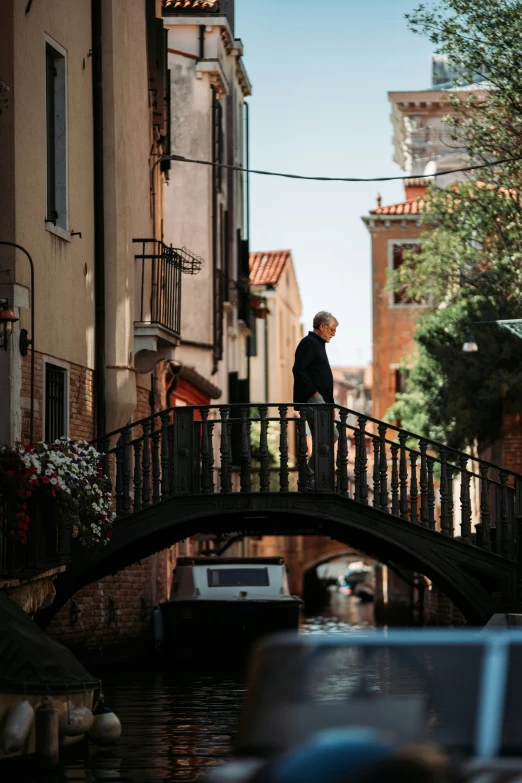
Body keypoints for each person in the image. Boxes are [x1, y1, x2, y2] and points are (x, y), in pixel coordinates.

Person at [292, 311, 339, 480]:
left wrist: (330, 405)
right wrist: (315, 393)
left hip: (321, 401)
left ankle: (313, 477)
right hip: (313, 400)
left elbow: (324, 378)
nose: (333, 334)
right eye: (332, 330)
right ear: (322, 326)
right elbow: (298, 370)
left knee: (324, 439)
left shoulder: (317, 344)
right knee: (331, 435)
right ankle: (310, 474)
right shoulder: (309, 343)